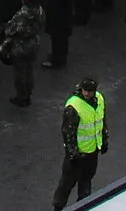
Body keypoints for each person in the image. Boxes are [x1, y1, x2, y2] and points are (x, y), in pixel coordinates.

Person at [52, 76, 108, 209]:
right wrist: (72, 153)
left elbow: (101, 120)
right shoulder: (74, 106)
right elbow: (68, 132)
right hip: (78, 155)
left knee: (86, 181)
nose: (87, 93)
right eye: (85, 90)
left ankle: (83, 205)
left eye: (90, 91)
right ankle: (58, 208)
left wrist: (104, 139)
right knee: (66, 184)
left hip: (92, 151)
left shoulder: (99, 99)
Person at [0, 0, 43, 106]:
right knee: (29, 71)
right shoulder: (39, 10)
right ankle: (28, 94)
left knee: (19, 73)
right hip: (33, 44)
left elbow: (11, 30)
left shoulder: (21, 15)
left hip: (20, 47)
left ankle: (21, 96)